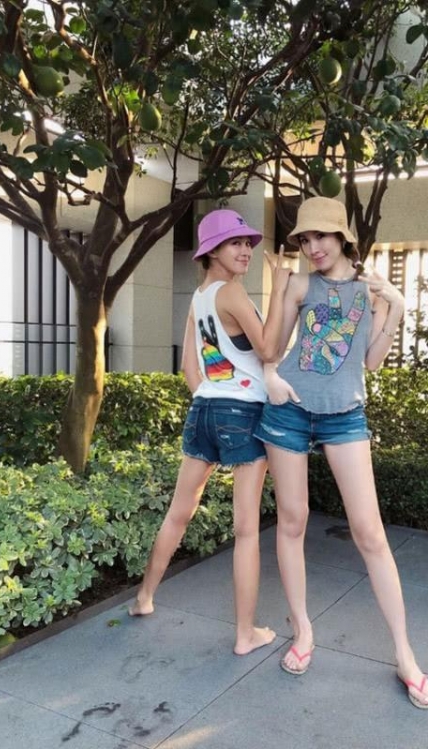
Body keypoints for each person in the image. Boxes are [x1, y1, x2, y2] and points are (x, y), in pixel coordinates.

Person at [255, 196, 428, 708]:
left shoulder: (369, 289)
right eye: (305, 238)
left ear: (342, 238)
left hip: (345, 416)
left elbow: (372, 361)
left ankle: (405, 654)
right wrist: (277, 293)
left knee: (371, 534)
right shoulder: (299, 284)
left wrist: (397, 307)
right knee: (292, 521)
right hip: (290, 410)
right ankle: (303, 631)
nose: (312, 246)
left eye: (321, 236)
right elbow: (272, 349)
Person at [130, 208, 291, 657]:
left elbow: (189, 368)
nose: (246, 250)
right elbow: (269, 349)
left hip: (203, 409)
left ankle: (144, 598)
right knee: (246, 530)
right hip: (243, 414)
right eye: (235, 243)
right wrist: (279, 289)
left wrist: (214, 397)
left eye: (247, 243)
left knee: (178, 513)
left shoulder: (199, 297)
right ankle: (245, 634)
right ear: (212, 251)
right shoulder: (233, 292)